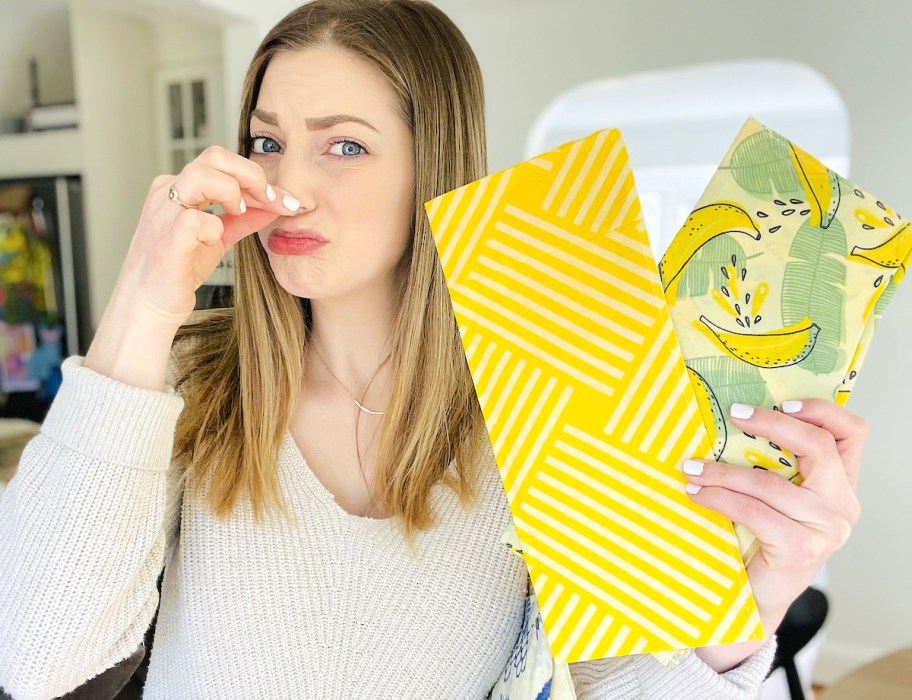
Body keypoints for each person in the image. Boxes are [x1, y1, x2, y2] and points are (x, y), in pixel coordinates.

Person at [0, 1, 867, 698]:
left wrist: (763, 590)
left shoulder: (545, 389)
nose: (286, 189)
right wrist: (143, 304)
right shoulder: (188, 378)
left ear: (436, 164)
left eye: (345, 145)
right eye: (268, 142)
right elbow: (34, 657)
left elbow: (622, 684)